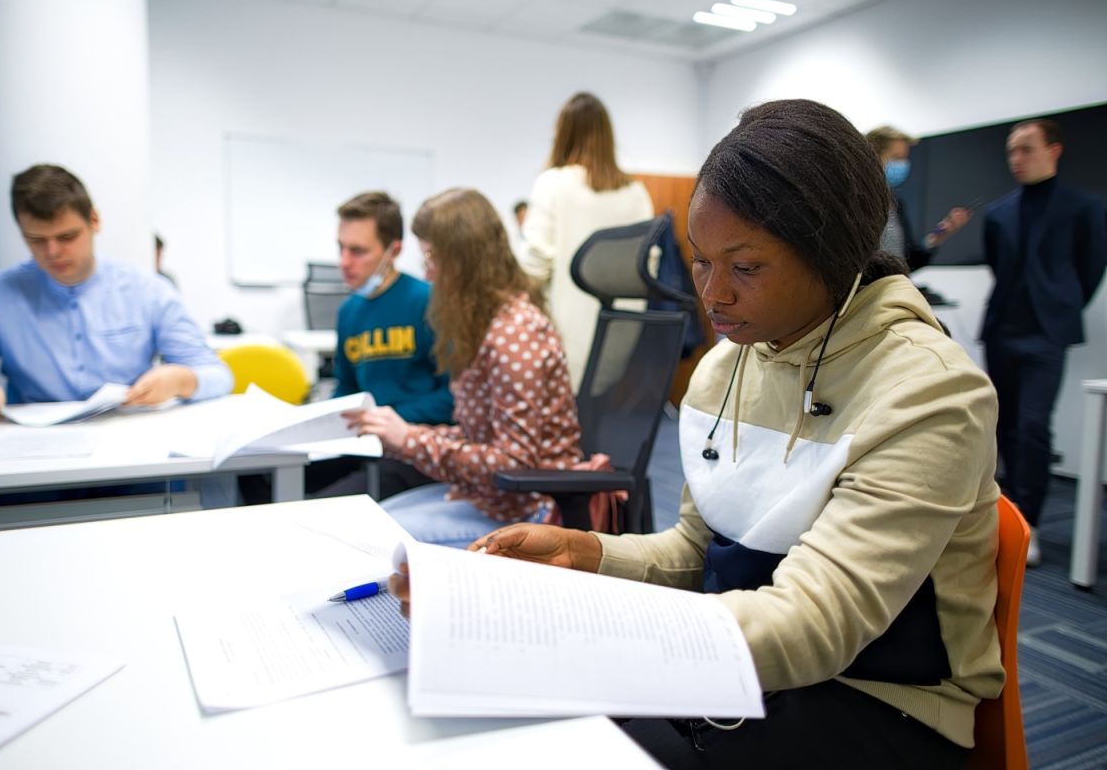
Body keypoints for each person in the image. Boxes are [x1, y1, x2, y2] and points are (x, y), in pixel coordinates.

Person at [392, 100, 1003, 768]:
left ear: (832, 253)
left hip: (878, 702)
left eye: (745, 268)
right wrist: (583, 554)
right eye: (700, 262)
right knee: (527, 735)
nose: (713, 296)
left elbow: (816, 627)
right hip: (742, 661)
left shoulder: (928, 390)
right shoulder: (722, 370)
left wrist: (574, 623)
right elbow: (699, 553)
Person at [344, 188, 582, 548]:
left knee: (369, 538)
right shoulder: (487, 323)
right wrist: (403, 436)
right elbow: (478, 436)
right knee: (372, 518)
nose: (427, 274)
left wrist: (410, 439)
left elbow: (514, 463)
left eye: (431, 259)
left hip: (525, 510)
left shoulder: (514, 334)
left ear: (462, 261)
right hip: (489, 498)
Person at [0, 164, 232, 417]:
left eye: (66, 237)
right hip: (32, 456)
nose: (52, 252)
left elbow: (218, 375)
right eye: (36, 240)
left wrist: (181, 380)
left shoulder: (148, 290)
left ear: (94, 221)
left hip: (129, 443)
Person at [981, 118, 1107, 565]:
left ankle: (1028, 523)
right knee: (1002, 426)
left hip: (1045, 335)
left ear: (1053, 150)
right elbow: (999, 266)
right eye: (1012, 151)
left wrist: (1060, 308)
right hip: (1003, 330)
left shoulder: (1084, 208)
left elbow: (1090, 269)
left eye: (1026, 149)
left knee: (1033, 428)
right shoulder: (999, 213)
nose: (1017, 158)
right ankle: (1001, 514)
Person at [303, 191, 454, 500]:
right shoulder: (349, 311)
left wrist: (385, 417)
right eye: (341, 248)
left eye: (358, 251)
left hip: (415, 448)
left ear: (393, 250)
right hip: (362, 441)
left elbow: (455, 397)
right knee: (263, 481)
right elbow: (346, 388)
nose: (344, 262)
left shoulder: (429, 302)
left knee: (322, 505)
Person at [518, 91, 653, 390]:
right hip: (621, 340)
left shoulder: (552, 183)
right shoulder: (637, 192)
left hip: (565, 342)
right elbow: (649, 269)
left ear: (562, 134)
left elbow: (534, 267)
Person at [865, 125, 971, 271]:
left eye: (905, 159)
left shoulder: (895, 203)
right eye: (897, 158)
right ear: (874, 155)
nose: (903, 165)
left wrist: (938, 236)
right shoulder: (856, 202)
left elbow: (910, 261)